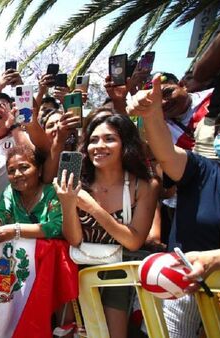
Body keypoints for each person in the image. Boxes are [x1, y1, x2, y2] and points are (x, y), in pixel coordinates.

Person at [128, 74, 220, 338]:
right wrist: (150, 116)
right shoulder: (204, 171)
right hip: (182, 288)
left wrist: (215, 260)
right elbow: (166, 154)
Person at [54, 113, 160, 338]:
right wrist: (67, 203)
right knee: (72, 334)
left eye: (109, 139)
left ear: (126, 144)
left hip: (119, 275)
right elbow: (74, 239)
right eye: (93, 140)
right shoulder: (78, 181)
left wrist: (93, 209)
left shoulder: (145, 186)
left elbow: (133, 240)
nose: (99, 146)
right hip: (77, 272)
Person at [0, 145, 63, 249]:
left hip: (48, 258)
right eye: (11, 171)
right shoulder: (11, 191)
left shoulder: (52, 192)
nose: (17, 174)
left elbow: (57, 227)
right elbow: (0, 212)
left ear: (39, 170)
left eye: (24, 167)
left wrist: (16, 231)